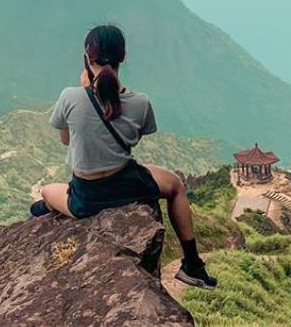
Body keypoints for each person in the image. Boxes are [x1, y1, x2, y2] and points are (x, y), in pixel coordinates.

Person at [31, 24, 218, 289]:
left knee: (47, 192)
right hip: (128, 185)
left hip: (88, 196)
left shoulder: (69, 97)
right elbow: (133, 140)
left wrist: (84, 91)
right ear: (124, 56)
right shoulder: (140, 102)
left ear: (87, 57)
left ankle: (42, 230)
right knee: (175, 185)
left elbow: (66, 140)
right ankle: (193, 265)